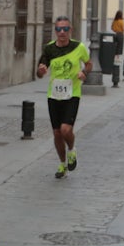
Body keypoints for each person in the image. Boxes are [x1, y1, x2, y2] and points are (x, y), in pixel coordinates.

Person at [35, 15, 90, 178]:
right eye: (59, 29)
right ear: (55, 31)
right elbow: (39, 71)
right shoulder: (49, 49)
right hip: (54, 95)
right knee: (57, 133)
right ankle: (62, 164)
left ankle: (72, 150)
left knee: (66, 130)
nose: (62, 32)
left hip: (72, 94)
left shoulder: (78, 47)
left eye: (65, 29)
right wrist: (41, 71)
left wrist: (84, 72)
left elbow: (89, 63)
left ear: (70, 30)